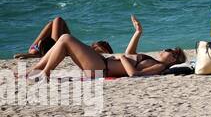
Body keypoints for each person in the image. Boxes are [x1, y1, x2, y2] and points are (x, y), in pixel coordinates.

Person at [28, 16, 184, 79]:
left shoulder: (158, 66)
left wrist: (122, 58)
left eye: (169, 50)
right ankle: (36, 69)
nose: (165, 49)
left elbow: (134, 73)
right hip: (100, 63)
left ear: (172, 58)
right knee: (63, 40)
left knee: (66, 38)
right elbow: (130, 53)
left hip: (101, 68)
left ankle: (45, 72)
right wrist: (138, 32)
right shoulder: (152, 60)